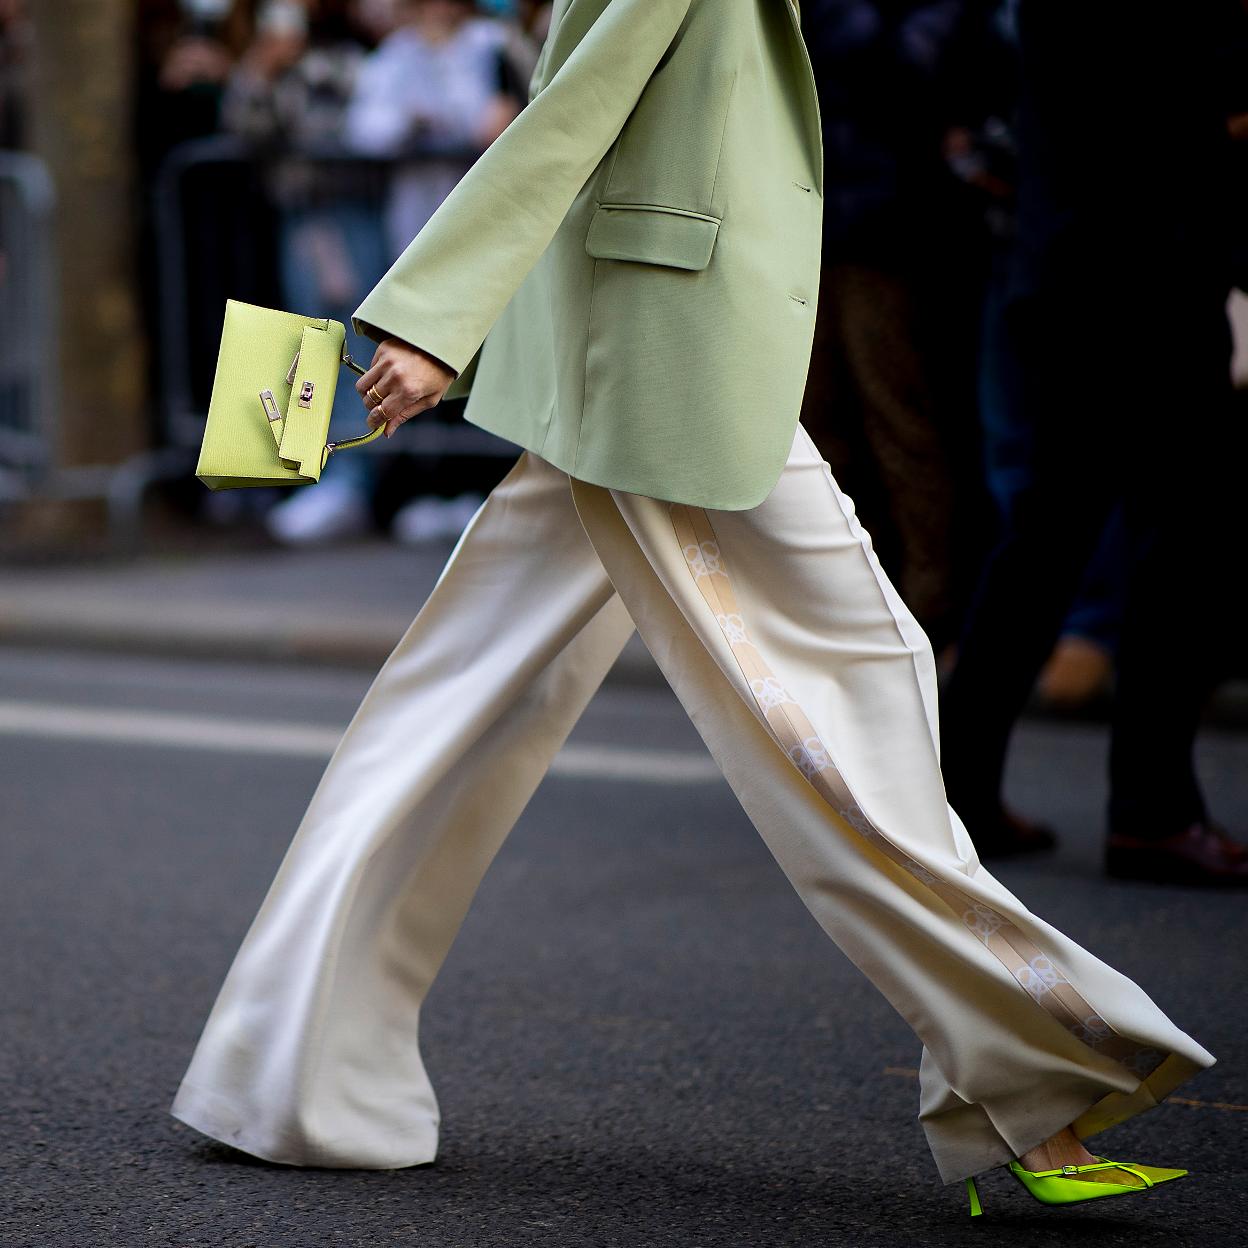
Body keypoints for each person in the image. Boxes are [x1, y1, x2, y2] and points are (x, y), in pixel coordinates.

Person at [171, 0, 1211, 1216]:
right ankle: (1037, 1086)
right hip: (669, 369)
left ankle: (279, 1073)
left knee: (446, 716)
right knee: (859, 694)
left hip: (648, 354)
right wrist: (427, 323)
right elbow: (570, 111)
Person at [939, 0, 1248, 878]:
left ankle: (959, 788)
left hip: (1075, 262)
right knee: (1174, 543)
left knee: (1048, 537)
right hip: (1147, 271)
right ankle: (1152, 811)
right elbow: (1197, 89)